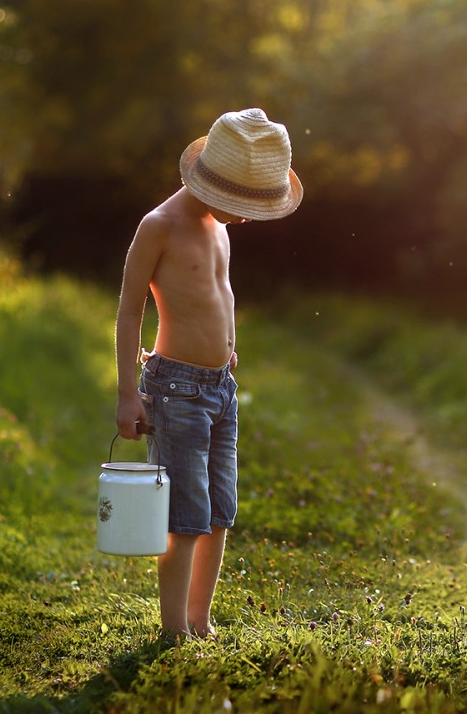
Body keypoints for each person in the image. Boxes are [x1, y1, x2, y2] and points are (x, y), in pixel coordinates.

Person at [114, 108, 303, 640]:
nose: (246, 216)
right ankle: (173, 628)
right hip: (174, 391)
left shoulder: (219, 227)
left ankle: (201, 620)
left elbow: (222, 291)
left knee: (221, 507)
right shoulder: (159, 226)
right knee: (184, 512)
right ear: (211, 183)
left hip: (221, 388)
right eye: (243, 203)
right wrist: (129, 393)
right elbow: (131, 309)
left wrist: (230, 344)